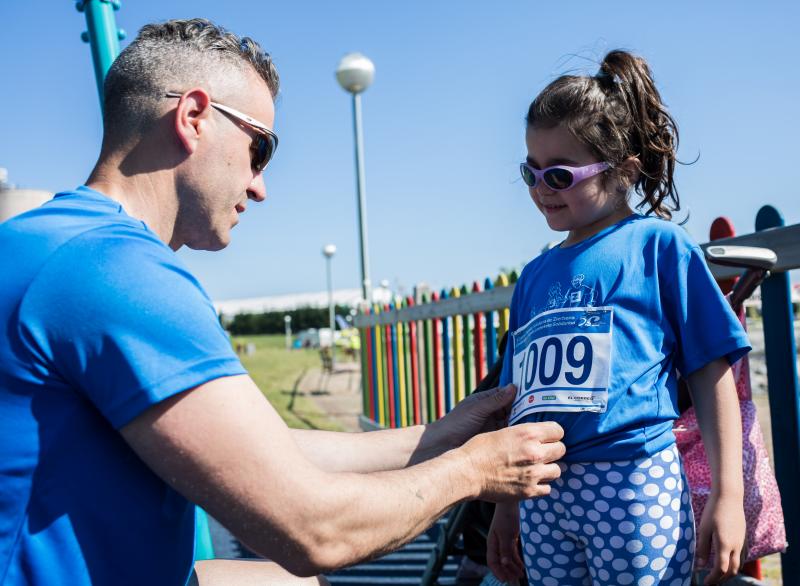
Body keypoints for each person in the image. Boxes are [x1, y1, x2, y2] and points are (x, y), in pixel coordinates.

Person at [0, 19, 567, 586]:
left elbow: (257, 451)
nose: (260, 186)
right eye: (259, 149)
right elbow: (314, 531)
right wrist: (474, 470)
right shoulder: (118, 272)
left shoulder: (44, 240)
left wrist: (445, 434)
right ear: (194, 116)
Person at [487, 50, 749, 586]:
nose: (541, 188)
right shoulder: (534, 275)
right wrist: (504, 503)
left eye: (559, 174)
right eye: (531, 171)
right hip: (542, 494)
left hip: (630, 487)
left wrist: (729, 493)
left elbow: (711, 370)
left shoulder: (658, 248)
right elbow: (518, 396)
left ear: (623, 170)